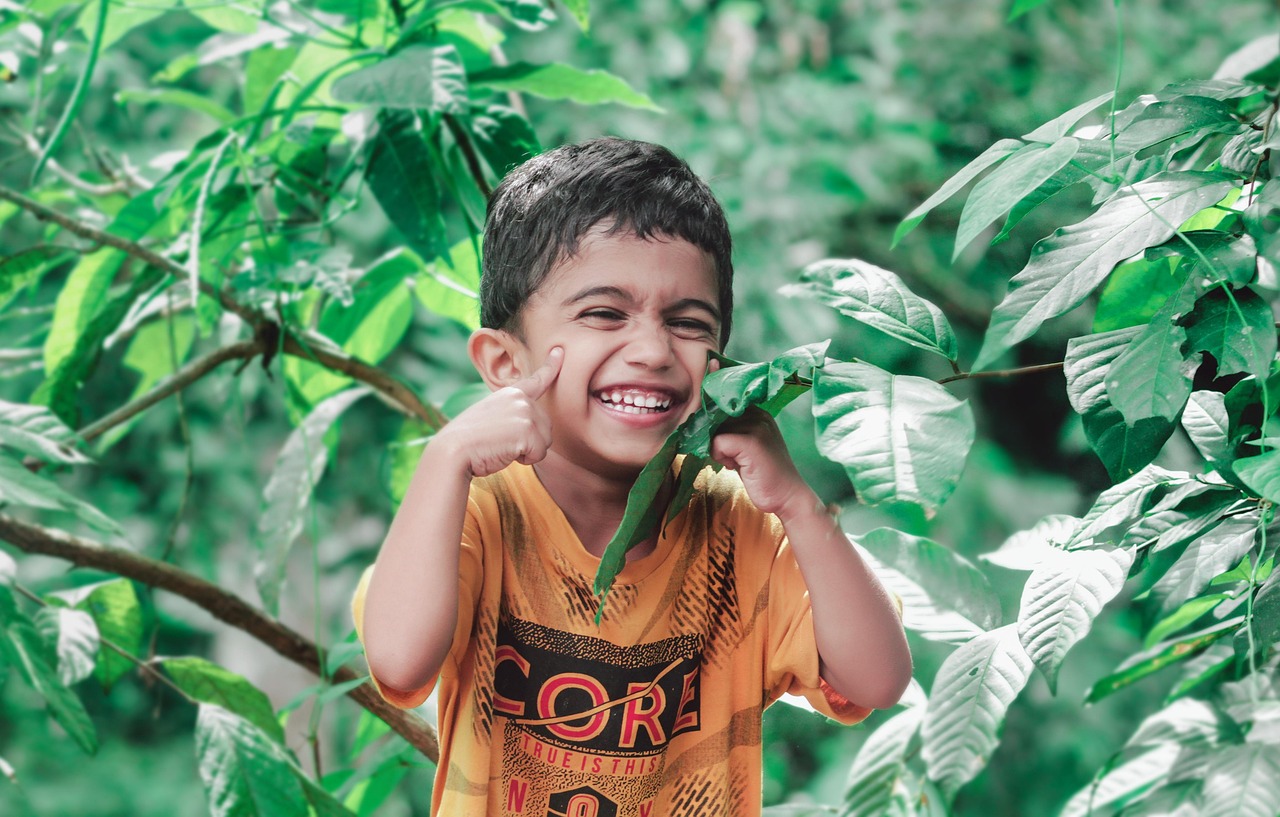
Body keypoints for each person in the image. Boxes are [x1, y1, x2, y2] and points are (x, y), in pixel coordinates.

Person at [353, 137, 912, 816]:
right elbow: (399, 663)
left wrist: (798, 504)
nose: (651, 350)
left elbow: (878, 678)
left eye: (687, 322)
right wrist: (444, 459)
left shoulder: (741, 526)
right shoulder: (478, 513)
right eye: (603, 313)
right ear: (503, 362)